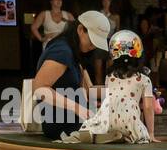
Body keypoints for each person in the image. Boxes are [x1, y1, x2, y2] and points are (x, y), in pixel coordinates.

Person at [60, 30, 156, 145]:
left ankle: (100, 133)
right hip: (129, 118)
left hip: (106, 116)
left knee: (99, 122)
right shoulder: (144, 80)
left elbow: (97, 92)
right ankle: (125, 135)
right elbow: (148, 107)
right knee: (140, 134)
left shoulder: (110, 77)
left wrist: (83, 71)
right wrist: (151, 133)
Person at [29, 10, 111, 140]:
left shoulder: (76, 53)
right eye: (93, 40)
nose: (94, 46)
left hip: (78, 119)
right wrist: (77, 108)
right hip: (61, 125)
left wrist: (121, 91)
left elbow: (89, 90)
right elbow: (39, 89)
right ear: (80, 30)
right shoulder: (62, 51)